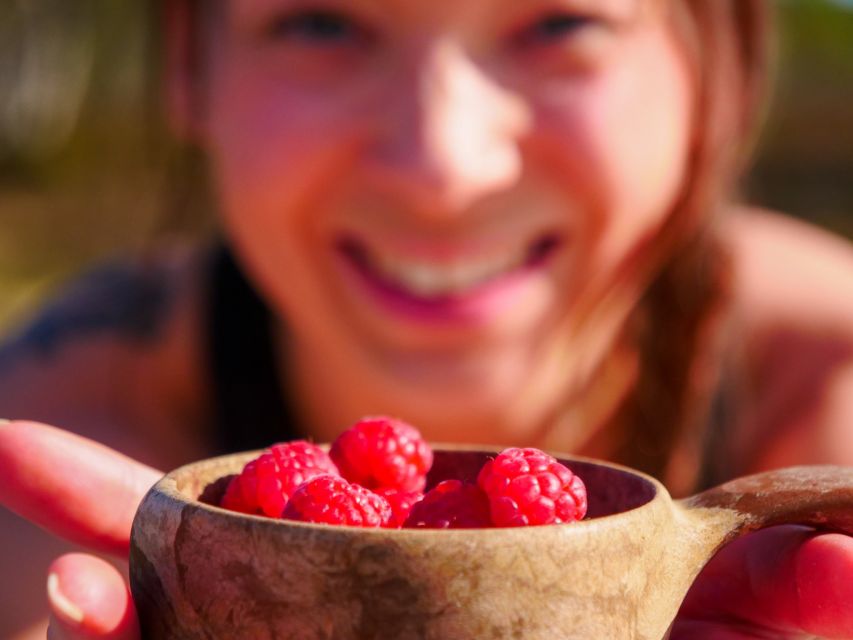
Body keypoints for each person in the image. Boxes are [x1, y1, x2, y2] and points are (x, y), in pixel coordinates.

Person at [1, 0, 852, 637]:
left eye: (558, 22)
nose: (443, 166)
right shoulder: (62, 407)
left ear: (719, 60)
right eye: (321, 22)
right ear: (189, 64)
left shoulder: (833, 377)